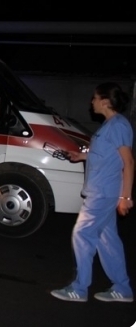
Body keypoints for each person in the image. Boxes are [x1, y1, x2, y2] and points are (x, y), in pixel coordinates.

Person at [51, 82, 134, 303]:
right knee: (108, 240)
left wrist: (126, 196)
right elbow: (107, 154)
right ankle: (122, 288)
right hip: (102, 191)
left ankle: (79, 289)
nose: (92, 102)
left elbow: (128, 161)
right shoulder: (111, 125)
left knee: (82, 234)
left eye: (95, 98)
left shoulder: (118, 125)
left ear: (105, 101)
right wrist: (81, 156)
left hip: (103, 193)